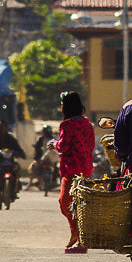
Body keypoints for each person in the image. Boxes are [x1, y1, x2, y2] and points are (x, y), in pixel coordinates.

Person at [51, 91, 93, 253]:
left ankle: (78, 236)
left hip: (71, 170)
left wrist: (54, 144)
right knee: (80, 205)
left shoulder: (67, 125)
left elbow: (63, 146)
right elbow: (90, 145)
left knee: (65, 202)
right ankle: (77, 235)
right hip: (86, 169)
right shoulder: (87, 124)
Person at [0, 117, 26, 200]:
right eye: (0, 127)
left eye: (3, 127)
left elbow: (18, 149)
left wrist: (19, 153)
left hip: (9, 162)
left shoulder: (10, 138)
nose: (2, 129)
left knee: (16, 168)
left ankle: (16, 187)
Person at [26, 124, 56, 190]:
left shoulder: (52, 140)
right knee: (33, 167)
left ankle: (54, 181)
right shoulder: (41, 140)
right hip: (41, 160)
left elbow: (53, 151)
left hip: (50, 160)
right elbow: (37, 149)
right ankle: (33, 182)